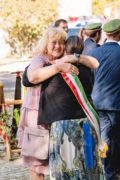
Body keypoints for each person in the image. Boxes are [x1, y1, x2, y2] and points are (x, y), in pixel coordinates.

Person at [18, 27, 99, 180]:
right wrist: (59, 66)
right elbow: (33, 77)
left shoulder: (63, 58)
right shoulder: (39, 60)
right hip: (36, 120)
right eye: (53, 42)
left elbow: (94, 64)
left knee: (56, 163)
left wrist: (76, 57)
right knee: (37, 165)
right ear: (45, 44)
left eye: (61, 43)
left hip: (52, 119)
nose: (58, 46)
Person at [88, 19, 120, 180]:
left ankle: (107, 170)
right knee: (113, 138)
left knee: (105, 137)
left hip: (97, 102)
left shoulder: (94, 53)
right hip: (115, 104)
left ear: (106, 33)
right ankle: (111, 171)